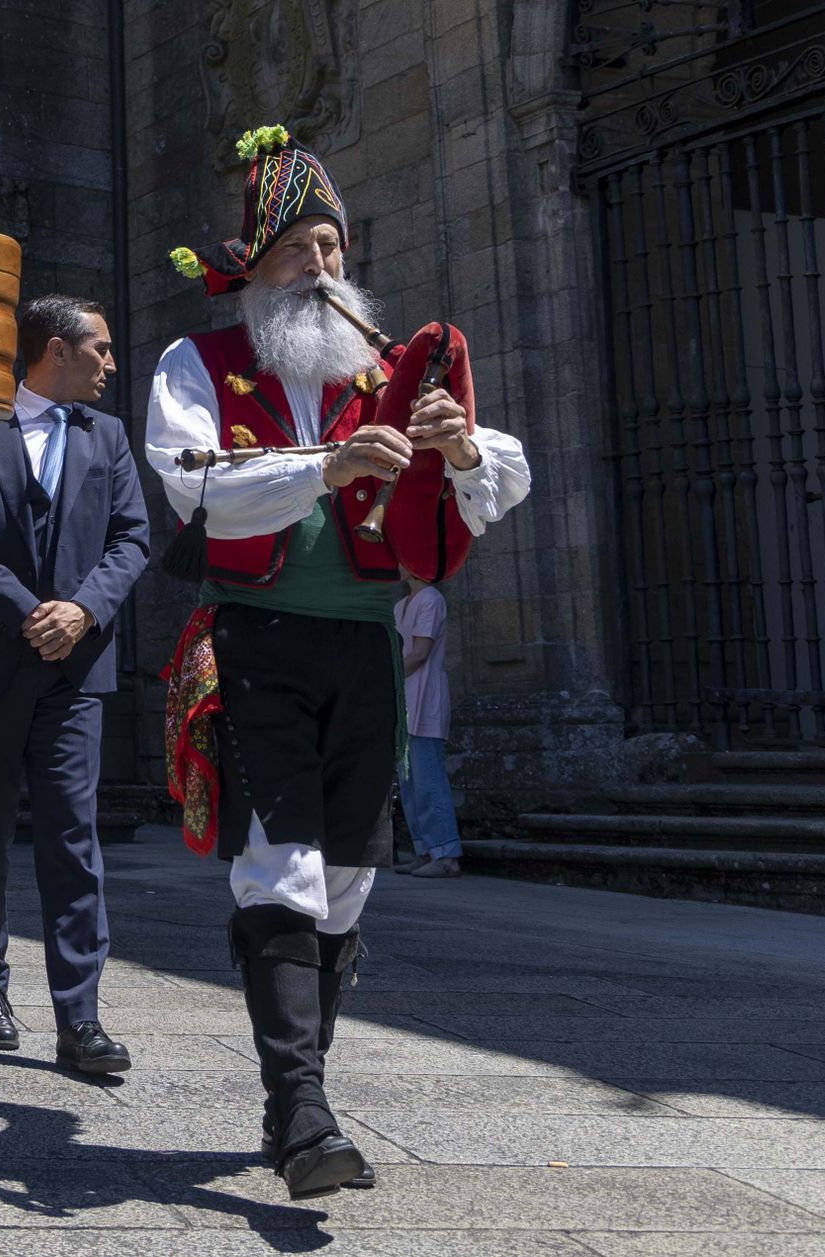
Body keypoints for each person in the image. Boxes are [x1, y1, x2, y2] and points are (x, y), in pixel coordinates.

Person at [146, 123, 529, 1198]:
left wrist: (459, 450)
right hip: (256, 639)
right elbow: (195, 481)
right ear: (252, 270)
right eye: (296, 251)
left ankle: (294, 1092)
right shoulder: (200, 362)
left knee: (353, 879)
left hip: (363, 642)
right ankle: (305, 1113)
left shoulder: (392, 364)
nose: (320, 268)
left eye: (331, 247)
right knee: (283, 862)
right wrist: (326, 463)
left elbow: (502, 479)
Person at [0, 295, 151, 1077]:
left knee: (72, 838)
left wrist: (82, 610)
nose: (111, 363)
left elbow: (133, 537)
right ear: (56, 349)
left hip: (74, 672)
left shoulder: (110, 437)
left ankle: (79, 1016)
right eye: (102, 348)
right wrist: (30, 612)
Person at [396, 575, 461, 877]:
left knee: (429, 778)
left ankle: (446, 854)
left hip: (425, 694)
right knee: (409, 781)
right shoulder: (400, 605)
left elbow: (420, 653)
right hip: (403, 697)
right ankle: (424, 849)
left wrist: (388, 677)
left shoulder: (431, 599)